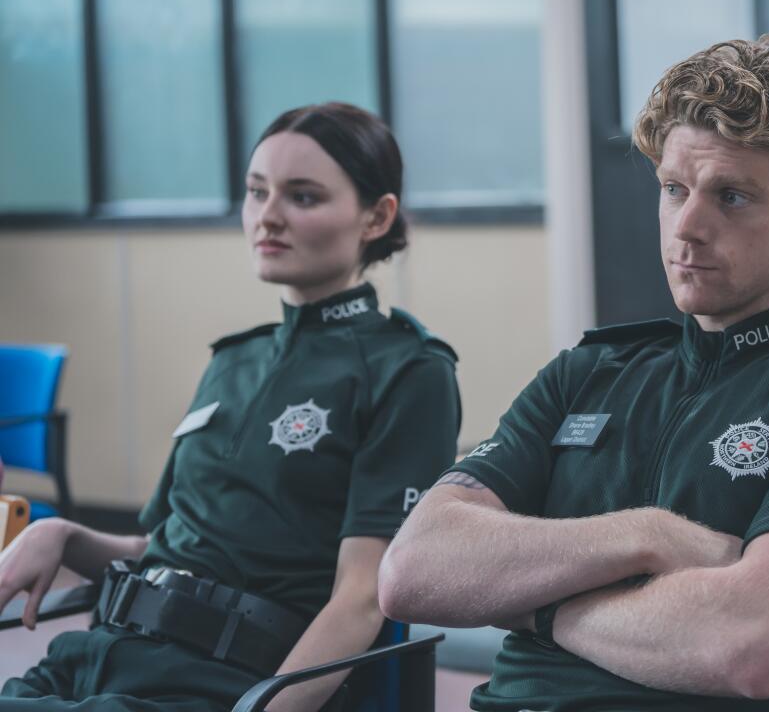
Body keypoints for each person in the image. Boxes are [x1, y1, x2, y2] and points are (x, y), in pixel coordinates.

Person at [379, 36, 769, 711]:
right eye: (674, 189)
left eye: (731, 197)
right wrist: (649, 537)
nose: (686, 227)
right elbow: (413, 569)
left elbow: (754, 646)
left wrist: (535, 605)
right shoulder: (589, 372)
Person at [0, 102, 461, 711]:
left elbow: (362, 597)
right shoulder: (232, 361)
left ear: (376, 217)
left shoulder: (408, 371)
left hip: (216, 685)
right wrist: (60, 533)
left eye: (302, 197)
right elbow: (164, 545)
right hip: (91, 660)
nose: (266, 217)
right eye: (256, 191)